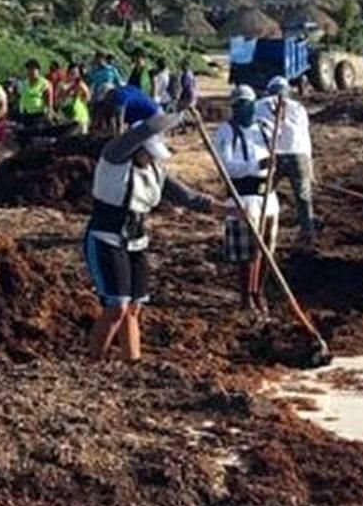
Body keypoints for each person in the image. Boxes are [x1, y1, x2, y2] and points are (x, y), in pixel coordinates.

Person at [85, 111, 219, 361]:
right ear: (136, 148)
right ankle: (95, 362)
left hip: (136, 241)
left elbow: (189, 197)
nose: (151, 159)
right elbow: (145, 129)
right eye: (148, 153)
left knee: (134, 307)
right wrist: (180, 112)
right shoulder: (114, 157)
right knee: (117, 306)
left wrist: (228, 209)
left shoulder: (155, 171)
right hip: (107, 238)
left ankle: (131, 361)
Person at [214, 85, 280, 317]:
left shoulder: (265, 129)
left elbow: (278, 151)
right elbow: (226, 167)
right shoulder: (226, 131)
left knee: (266, 250)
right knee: (247, 252)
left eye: (246, 104)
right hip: (243, 196)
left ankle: (258, 292)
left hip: (267, 197)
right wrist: (255, 166)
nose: (242, 109)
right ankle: (246, 298)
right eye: (238, 105)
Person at [256, 76, 315, 243]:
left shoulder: (260, 105)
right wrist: (309, 167)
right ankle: (307, 232)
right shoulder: (299, 108)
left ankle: (258, 226)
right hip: (299, 154)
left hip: (273, 155)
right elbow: (305, 136)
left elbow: (258, 132)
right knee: (303, 196)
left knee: (262, 192)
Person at [17, 58, 53, 130]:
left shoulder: (44, 83)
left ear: (38, 70)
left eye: (33, 69)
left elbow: (49, 100)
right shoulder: (25, 83)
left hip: (39, 115)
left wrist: (49, 112)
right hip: (26, 114)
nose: (30, 72)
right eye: (29, 69)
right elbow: (21, 96)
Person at [60, 63, 91, 135]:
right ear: (68, 73)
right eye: (72, 73)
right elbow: (58, 100)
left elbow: (88, 97)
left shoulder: (81, 84)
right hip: (67, 117)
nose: (74, 75)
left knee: (82, 139)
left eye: (76, 73)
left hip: (81, 116)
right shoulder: (62, 84)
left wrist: (82, 95)